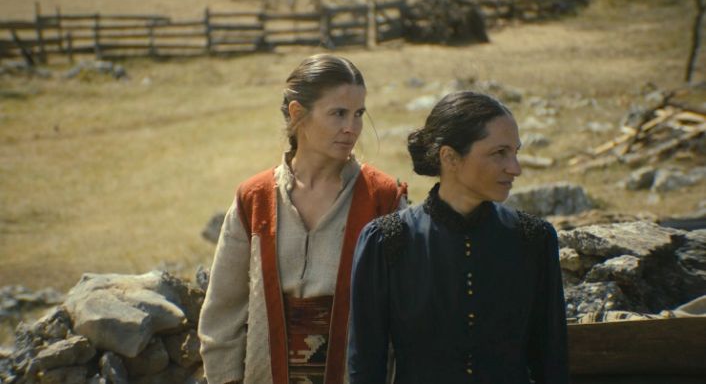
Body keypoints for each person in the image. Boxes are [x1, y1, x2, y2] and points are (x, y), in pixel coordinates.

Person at [198, 53, 407, 384]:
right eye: (338, 113)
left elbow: (408, 317)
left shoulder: (384, 200)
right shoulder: (255, 199)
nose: (352, 128)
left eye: (358, 114)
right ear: (298, 114)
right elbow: (221, 316)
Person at [348, 91, 569, 384]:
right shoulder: (386, 242)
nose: (515, 168)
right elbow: (365, 367)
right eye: (499, 153)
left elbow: (552, 363)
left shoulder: (534, 239)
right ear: (450, 157)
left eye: (515, 152)